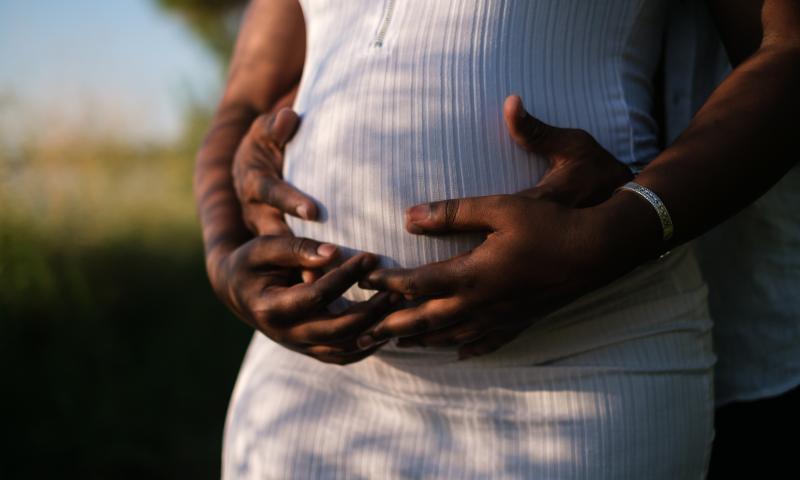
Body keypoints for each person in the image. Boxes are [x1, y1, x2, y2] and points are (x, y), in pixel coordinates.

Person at [193, 0, 799, 478]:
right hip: (308, 379)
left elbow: (787, 52)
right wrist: (223, 256)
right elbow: (244, 97)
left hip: (585, 365)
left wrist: (617, 231)